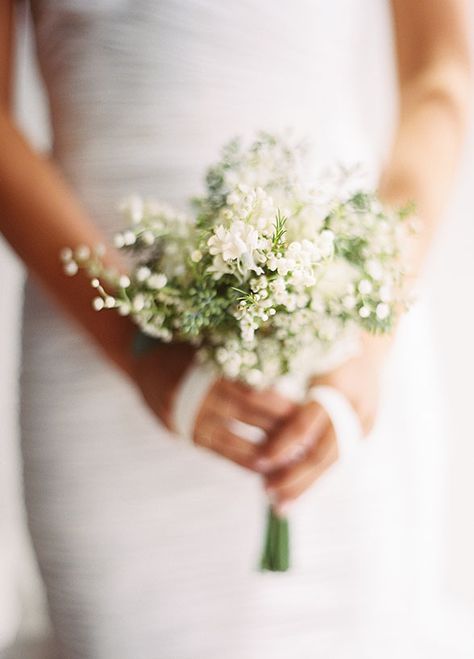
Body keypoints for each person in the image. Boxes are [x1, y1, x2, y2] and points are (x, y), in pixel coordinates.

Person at [0, 1, 471, 657]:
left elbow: (439, 76)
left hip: (339, 345)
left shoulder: (359, 344)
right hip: (94, 351)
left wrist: (367, 335)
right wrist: (137, 347)